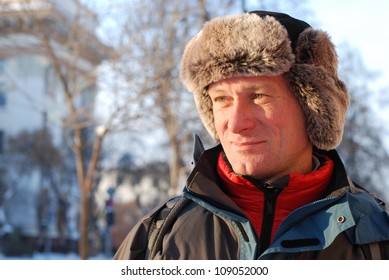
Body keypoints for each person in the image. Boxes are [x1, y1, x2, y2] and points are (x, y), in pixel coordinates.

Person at [114, 11, 389, 260]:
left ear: (312, 108)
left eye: (258, 96)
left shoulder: (377, 238)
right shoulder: (156, 239)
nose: (235, 124)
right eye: (221, 99)